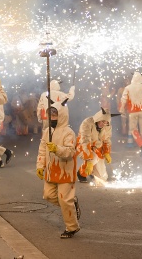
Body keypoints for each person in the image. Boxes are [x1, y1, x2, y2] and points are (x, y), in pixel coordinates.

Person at [36, 99, 81, 239]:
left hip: (65, 171)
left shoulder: (69, 132)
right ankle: (72, 204)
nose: (53, 118)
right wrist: (40, 165)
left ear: (62, 115)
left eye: (55, 115)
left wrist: (57, 149)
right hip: (51, 170)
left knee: (64, 199)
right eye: (51, 115)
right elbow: (42, 149)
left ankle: (71, 227)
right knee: (49, 196)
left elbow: (70, 152)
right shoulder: (46, 131)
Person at [76, 108, 115, 183]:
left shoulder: (107, 126)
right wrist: (89, 160)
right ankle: (81, 173)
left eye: (106, 123)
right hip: (83, 146)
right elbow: (85, 141)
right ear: (98, 118)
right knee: (93, 158)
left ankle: (92, 171)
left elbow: (107, 140)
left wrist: (106, 152)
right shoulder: (87, 123)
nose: (104, 124)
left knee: (102, 178)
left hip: (97, 148)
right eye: (103, 121)